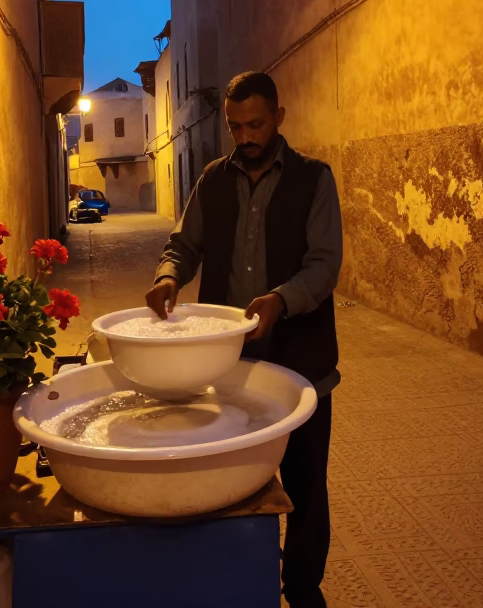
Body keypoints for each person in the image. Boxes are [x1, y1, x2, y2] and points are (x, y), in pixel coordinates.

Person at [146, 70, 342, 608]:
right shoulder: (212, 180)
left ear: (278, 117)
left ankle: (303, 590)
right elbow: (183, 245)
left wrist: (281, 299)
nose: (245, 136)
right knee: (230, 485)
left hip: (301, 366)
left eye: (255, 125)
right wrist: (168, 276)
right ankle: (236, 586)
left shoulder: (314, 180)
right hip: (229, 367)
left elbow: (324, 266)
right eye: (235, 127)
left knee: (306, 487)